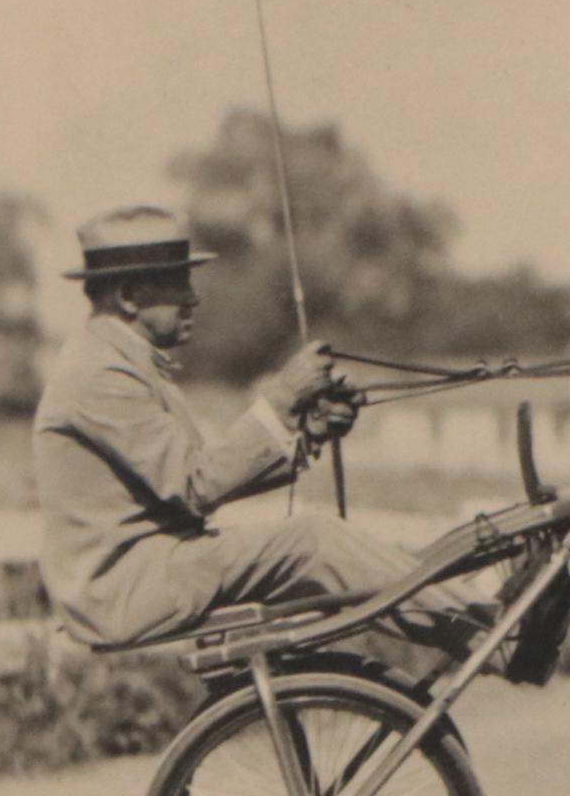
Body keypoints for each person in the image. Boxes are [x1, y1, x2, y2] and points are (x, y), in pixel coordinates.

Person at [31, 205, 483, 653]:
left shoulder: (120, 360)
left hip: (153, 570)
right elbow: (196, 485)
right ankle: (491, 634)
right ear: (129, 295)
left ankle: (480, 623)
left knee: (326, 543)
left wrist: (309, 432)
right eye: (178, 283)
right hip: (123, 591)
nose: (193, 299)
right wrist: (282, 397)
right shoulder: (100, 373)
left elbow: (202, 476)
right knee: (315, 542)